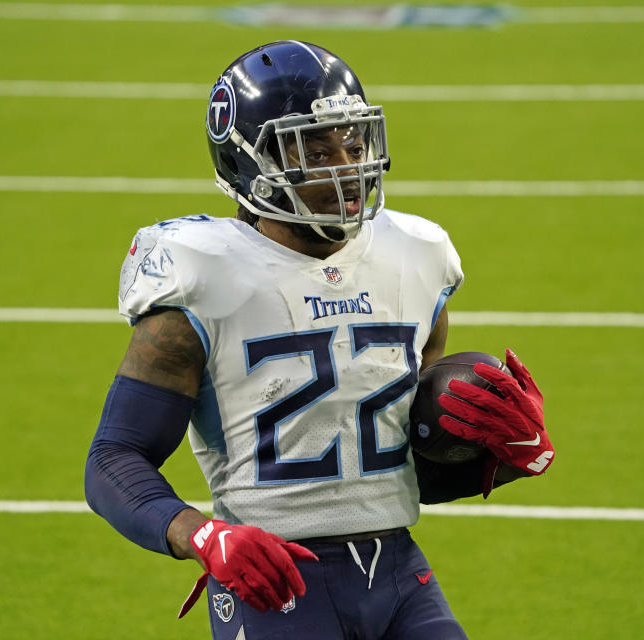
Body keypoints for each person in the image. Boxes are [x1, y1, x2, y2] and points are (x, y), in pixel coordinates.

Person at [85, 40, 554, 639]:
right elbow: (113, 459)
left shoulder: (416, 257)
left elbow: (404, 466)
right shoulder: (202, 275)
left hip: (397, 572)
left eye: (353, 143)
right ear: (249, 162)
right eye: (314, 149)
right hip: (273, 581)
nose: (346, 166)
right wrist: (200, 535)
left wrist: (506, 455)